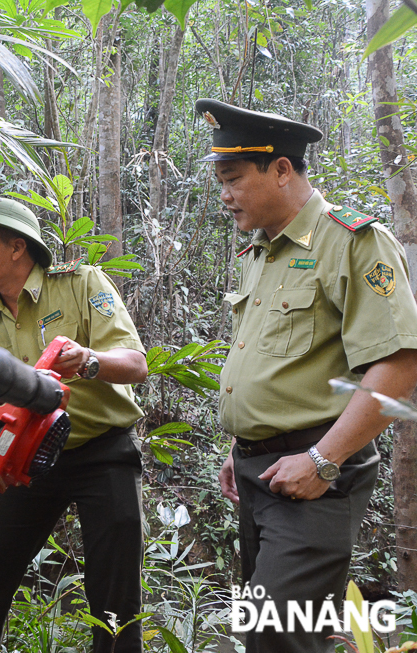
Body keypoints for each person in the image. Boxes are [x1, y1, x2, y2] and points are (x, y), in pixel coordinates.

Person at [196, 98, 417, 653]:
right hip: (259, 469)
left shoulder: (351, 241)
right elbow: (276, 361)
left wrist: (324, 459)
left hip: (316, 475)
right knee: (278, 634)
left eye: (233, 178)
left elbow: (400, 361)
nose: (223, 194)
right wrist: (240, 445)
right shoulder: (260, 253)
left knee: (277, 636)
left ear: (282, 169)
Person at [0, 198, 148, 653]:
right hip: (31, 459)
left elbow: (136, 363)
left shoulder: (80, 284)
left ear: (17, 247)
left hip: (103, 451)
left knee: (114, 592)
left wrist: (89, 361)